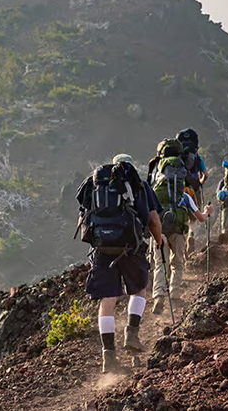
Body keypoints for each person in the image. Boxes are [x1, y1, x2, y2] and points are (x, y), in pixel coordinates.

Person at [78, 154, 163, 373]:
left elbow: (82, 220)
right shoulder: (139, 185)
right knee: (139, 290)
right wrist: (159, 241)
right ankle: (131, 334)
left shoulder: (94, 185)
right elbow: (153, 219)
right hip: (130, 247)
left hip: (102, 249)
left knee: (107, 299)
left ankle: (109, 357)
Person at [150, 140, 213, 315]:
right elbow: (200, 218)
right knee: (177, 263)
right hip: (178, 229)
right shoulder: (184, 196)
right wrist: (207, 211)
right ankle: (175, 295)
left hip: (159, 230)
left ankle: (158, 296)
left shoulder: (155, 192)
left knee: (159, 264)